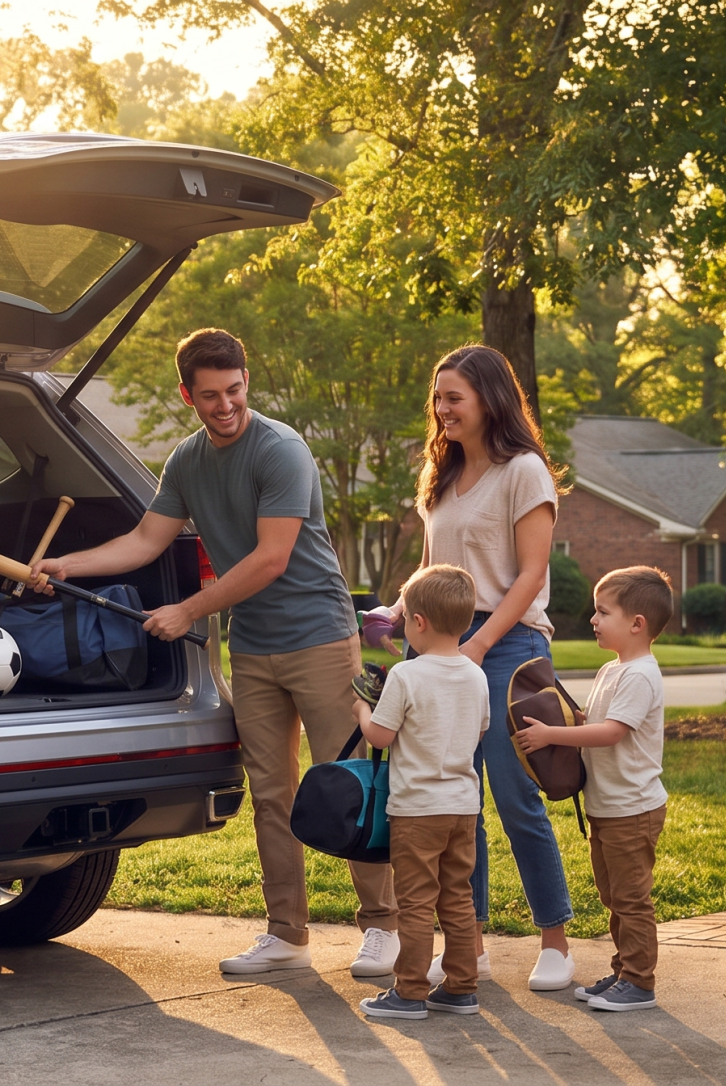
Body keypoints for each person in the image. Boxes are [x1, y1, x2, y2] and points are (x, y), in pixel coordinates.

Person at [33, 328, 400, 978]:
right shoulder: (186, 461)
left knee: (346, 786)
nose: (225, 404)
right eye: (210, 395)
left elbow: (270, 557)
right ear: (188, 395)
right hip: (254, 650)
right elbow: (146, 539)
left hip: (319, 638)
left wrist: (189, 610)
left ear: (246, 382)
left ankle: (384, 928)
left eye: (234, 390)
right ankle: (287, 935)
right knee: (271, 795)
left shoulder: (280, 450)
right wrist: (69, 565)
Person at [363, 344, 577, 992]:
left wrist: (479, 647)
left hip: (507, 648)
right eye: (438, 397)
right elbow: (431, 569)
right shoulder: (440, 474)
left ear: (489, 399)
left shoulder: (525, 472)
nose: (442, 408)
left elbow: (532, 574)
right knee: (456, 798)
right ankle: (470, 947)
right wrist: (396, 612)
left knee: (515, 797)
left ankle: (556, 942)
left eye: (454, 397)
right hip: (436, 646)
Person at [516, 565, 674, 1012]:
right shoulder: (613, 670)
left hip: (632, 809)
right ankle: (625, 970)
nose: (593, 619)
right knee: (612, 895)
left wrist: (551, 735)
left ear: (636, 624)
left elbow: (610, 733)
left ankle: (640, 983)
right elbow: (594, 721)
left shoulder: (640, 675)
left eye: (603, 612)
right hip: (608, 806)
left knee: (631, 898)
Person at [354, 564, 490, 1020]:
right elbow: (480, 727)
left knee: (414, 902)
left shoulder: (407, 676)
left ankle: (409, 991)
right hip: (463, 807)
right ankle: (461, 987)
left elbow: (379, 736)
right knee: (457, 897)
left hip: (416, 810)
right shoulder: (475, 675)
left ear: (418, 622)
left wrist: (359, 705)